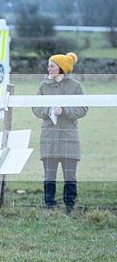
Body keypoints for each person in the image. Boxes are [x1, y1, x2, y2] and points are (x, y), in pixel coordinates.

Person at [31, 52, 88, 214]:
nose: (48, 68)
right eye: (49, 65)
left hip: (69, 136)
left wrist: (64, 110)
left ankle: (70, 206)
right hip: (48, 137)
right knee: (49, 174)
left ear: (61, 68)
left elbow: (83, 108)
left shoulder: (76, 86)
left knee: (70, 174)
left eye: (51, 65)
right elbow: (35, 108)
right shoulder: (43, 87)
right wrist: (47, 111)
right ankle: (49, 206)